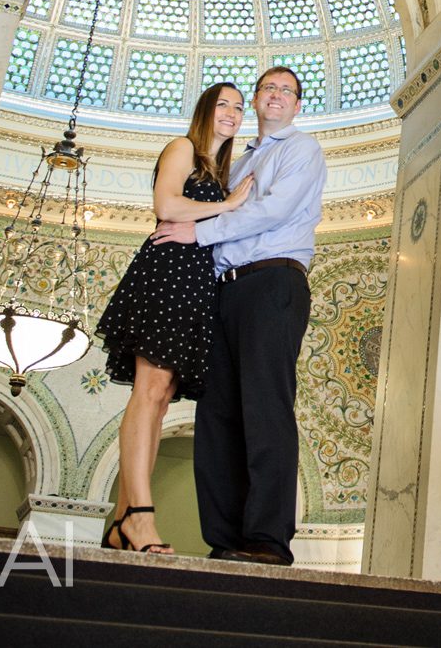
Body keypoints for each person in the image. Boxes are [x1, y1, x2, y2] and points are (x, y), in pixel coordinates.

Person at [150, 64, 324, 565]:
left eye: (285, 91)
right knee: (217, 414)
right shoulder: (233, 162)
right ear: (257, 98)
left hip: (272, 281)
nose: (275, 96)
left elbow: (272, 212)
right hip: (222, 290)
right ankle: (225, 537)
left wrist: (197, 233)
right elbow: (203, 205)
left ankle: (267, 540)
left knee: (265, 408)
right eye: (267, 88)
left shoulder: (300, 150)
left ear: (297, 104)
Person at [95, 81, 254, 555]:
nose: (232, 112)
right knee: (149, 390)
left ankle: (123, 520)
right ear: (206, 110)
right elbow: (166, 206)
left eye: (239, 107)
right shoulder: (183, 148)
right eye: (223, 104)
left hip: (197, 281)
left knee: (161, 396)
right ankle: (141, 519)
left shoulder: (224, 171)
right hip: (167, 272)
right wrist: (227, 205)